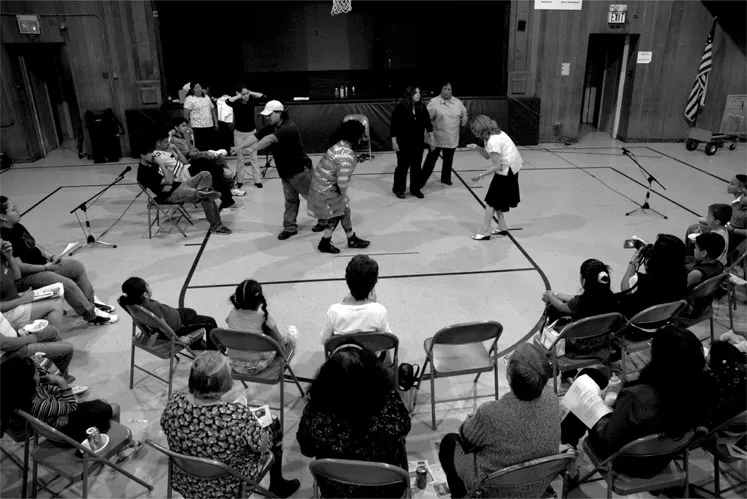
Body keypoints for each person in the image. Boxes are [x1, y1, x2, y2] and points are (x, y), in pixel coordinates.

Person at [560, 326, 708, 478]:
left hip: (624, 460)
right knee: (595, 376)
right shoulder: (700, 390)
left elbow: (608, 439)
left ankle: (565, 451)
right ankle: (566, 445)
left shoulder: (636, 396)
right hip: (659, 460)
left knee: (586, 386)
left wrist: (600, 407)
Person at [161, 351, 299, 498]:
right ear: (225, 381)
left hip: (186, 480)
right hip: (229, 487)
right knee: (274, 424)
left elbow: (165, 426)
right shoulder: (237, 415)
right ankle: (277, 485)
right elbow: (263, 446)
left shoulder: (175, 402)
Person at [438, 343, 560, 498]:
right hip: (538, 484)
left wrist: (473, 419)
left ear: (509, 376)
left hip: (496, 492)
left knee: (450, 442)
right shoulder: (552, 399)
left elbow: (465, 437)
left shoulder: (490, 412)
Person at [297, 341, 411, 496]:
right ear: (372, 371)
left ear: (327, 377)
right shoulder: (388, 402)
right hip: (386, 489)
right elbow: (404, 427)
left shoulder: (315, 411)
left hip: (335, 490)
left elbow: (307, 450)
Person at [0, 197, 118, 325]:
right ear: (3, 216)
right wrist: (46, 268)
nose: (18, 210)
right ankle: (91, 314)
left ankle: (89, 301)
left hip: (44, 265)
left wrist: (51, 257)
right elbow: (20, 267)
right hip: (27, 276)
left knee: (76, 267)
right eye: (13, 209)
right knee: (65, 283)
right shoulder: (4, 238)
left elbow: (34, 245)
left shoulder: (17, 226)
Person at [231, 100, 324, 240]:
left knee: (312, 197)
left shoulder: (288, 127)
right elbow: (256, 136)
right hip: (285, 171)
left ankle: (325, 219)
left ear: (279, 113)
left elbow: (269, 139)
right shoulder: (273, 126)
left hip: (299, 170)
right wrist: (239, 147)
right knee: (290, 200)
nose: (267, 117)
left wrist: (251, 149)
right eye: (266, 115)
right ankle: (290, 227)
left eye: (269, 114)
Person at [0, 356, 127, 446]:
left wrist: (62, 410)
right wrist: (60, 381)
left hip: (59, 421)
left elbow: (54, 391)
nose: (39, 375)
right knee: (114, 407)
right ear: (26, 382)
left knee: (101, 403)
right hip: (67, 433)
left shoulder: (21, 396)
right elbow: (72, 404)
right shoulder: (39, 404)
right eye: (35, 374)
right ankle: (124, 444)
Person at [138, 133, 233, 235]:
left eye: (152, 151)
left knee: (205, 174)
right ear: (142, 155)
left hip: (178, 185)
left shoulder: (151, 164)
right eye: (150, 153)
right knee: (207, 197)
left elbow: (170, 176)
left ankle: (203, 191)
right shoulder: (144, 173)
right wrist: (161, 164)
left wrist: (166, 165)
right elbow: (169, 181)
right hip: (170, 195)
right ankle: (216, 226)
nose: (153, 154)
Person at [307, 120, 371, 254]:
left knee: (344, 211)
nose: (364, 138)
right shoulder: (346, 155)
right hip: (326, 190)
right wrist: (344, 196)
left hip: (321, 186)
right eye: (362, 135)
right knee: (339, 211)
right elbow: (342, 181)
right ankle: (325, 242)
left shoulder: (339, 145)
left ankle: (351, 239)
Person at [152, 127, 241, 212]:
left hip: (186, 168)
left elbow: (185, 162)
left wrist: (176, 150)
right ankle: (228, 196)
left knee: (210, 164)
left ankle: (227, 193)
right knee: (211, 169)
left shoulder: (167, 150)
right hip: (183, 176)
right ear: (158, 143)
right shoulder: (157, 155)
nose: (168, 144)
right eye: (165, 142)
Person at [120, 277, 217, 349]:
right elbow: (165, 327)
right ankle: (215, 352)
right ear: (145, 294)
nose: (149, 287)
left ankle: (196, 345)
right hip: (179, 326)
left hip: (175, 316)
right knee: (210, 322)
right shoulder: (152, 308)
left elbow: (137, 320)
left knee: (191, 311)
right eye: (147, 286)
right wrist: (178, 339)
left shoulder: (128, 304)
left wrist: (147, 332)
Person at [467, 115, 523, 240]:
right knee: (497, 201)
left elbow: (497, 166)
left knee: (491, 201)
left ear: (478, 129)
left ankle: (484, 231)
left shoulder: (494, 141)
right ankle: (502, 227)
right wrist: (477, 147)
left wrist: (480, 176)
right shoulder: (493, 135)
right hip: (509, 169)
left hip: (507, 171)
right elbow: (488, 156)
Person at [225, 279, 296, 375]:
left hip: (234, 364)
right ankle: (292, 335)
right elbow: (280, 343)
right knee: (287, 338)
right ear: (259, 300)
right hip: (256, 366)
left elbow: (227, 320)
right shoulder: (264, 317)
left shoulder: (232, 312)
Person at [320, 255, 391, 345]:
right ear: (374, 284)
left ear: (347, 280)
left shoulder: (334, 311)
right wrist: (373, 305)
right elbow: (388, 340)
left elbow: (324, 341)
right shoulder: (379, 310)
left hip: (344, 357)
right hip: (370, 357)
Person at [618, 233, 688, 321]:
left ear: (655, 257)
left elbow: (625, 289)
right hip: (663, 321)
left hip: (639, 324)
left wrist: (633, 263)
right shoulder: (683, 276)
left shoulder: (642, 281)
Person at [169, 117, 244, 198]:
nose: (186, 128)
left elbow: (193, 149)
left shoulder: (185, 136)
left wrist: (198, 150)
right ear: (176, 127)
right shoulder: (175, 140)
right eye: (183, 126)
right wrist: (204, 153)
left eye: (186, 126)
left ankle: (230, 181)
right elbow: (189, 154)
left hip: (195, 155)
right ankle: (229, 182)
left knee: (218, 157)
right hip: (189, 161)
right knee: (209, 157)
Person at [0, 238, 64, 330]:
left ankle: (44, 335)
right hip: (6, 313)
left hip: (15, 299)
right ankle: (50, 338)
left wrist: (9, 257)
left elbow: (17, 276)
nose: (3, 240)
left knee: (58, 294)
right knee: (56, 304)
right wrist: (22, 300)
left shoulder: (1, 257)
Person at [0, 311, 74, 383]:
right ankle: (58, 385)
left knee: (52, 332)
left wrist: (18, 325)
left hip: (13, 340)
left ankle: (60, 377)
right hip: (6, 354)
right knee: (67, 349)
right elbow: (5, 344)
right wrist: (28, 339)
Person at [420, 81, 468, 188]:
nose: (446, 91)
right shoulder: (434, 102)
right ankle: (420, 182)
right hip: (436, 138)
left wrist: (465, 117)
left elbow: (464, 112)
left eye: (449, 89)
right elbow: (426, 119)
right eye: (444, 89)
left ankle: (446, 179)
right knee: (430, 161)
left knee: (448, 160)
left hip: (451, 137)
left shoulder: (457, 102)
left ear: (452, 90)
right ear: (440, 90)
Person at [390, 85, 434, 199]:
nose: (419, 95)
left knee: (416, 167)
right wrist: (394, 142)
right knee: (402, 167)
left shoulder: (422, 107)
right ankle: (398, 189)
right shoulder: (400, 108)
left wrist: (432, 141)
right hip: (403, 143)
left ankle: (415, 189)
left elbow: (428, 125)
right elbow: (393, 127)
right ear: (410, 95)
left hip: (418, 143)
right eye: (416, 93)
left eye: (419, 93)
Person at [542, 258, 616, 323]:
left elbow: (561, 306)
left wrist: (549, 297)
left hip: (581, 335)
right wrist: (555, 294)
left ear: (584, 281)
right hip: (601, 333)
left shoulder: (582, 302)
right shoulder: (611, 297)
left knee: (551, 308)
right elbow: (575, 298)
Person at [226, 84, 266, 190]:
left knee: (254, 158)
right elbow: (227, 101)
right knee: (240, 159)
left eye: (247, 94)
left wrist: (250, 92)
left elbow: (263, 96)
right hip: (239, 134)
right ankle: (240, 181)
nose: (246, 96)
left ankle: (257, 180)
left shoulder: (252, 102)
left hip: (251, 134)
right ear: (239, 95)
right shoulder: (236, 104)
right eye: (244, 94)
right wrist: (239, 96)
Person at [704, 340, 747, 430]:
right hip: (741, 423)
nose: (707, 357)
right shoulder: (740, 368)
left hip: (725, 427)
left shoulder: (715, 380)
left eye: (709, 354)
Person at [183, 82, 218, 150]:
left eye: (200, 87)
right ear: (192, 90)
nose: (199, 89)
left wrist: (216, 122)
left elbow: (212, 109)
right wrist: (188, 126)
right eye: (196, 88)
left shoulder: (206, 97)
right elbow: (186, 113)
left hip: (209, 125)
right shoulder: (189, 99)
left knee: (210, 146)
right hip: (197, 127)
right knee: (200, 147)